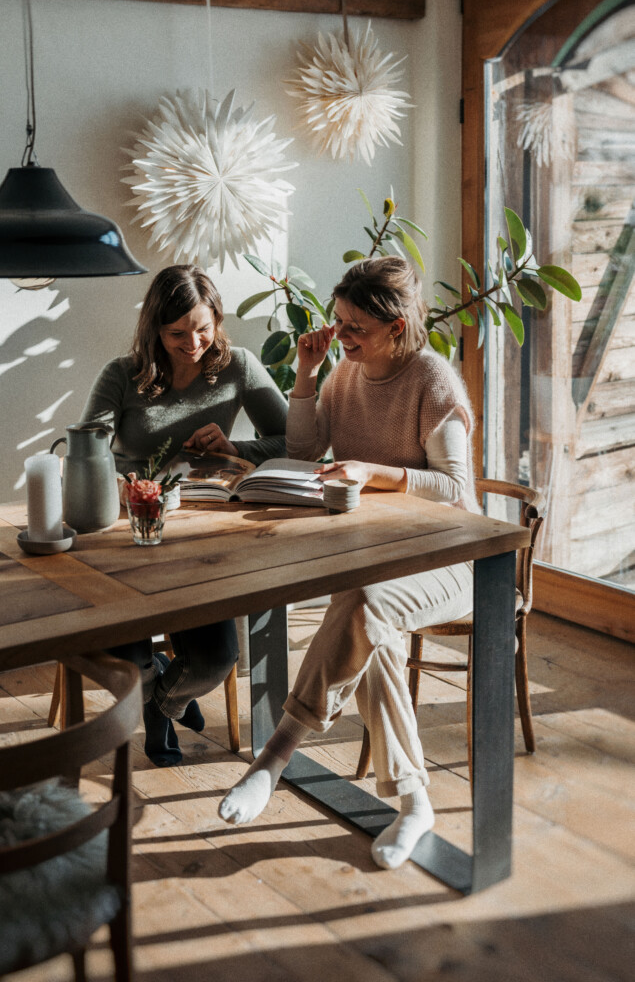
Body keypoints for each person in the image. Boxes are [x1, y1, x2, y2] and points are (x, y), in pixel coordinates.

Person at [219, 255, 479, 870]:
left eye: (356, 326)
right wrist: (307, 373)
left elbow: (453, 486)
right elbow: (306, 450)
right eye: (338, 322)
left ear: (396, 325)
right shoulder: (343, 373)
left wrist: (371, 471)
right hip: (382, 558)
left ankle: (275, 755)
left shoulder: (431, 379)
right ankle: (414, 802)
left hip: (458, 557)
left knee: (361, 603)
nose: (341, 335)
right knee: (372, 626)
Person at [81, 264, 288, 767]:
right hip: (131, 531)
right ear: (154, 328)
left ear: (216, 318)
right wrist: (117, 479)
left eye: (203, 327)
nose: (192, 342)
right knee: (128, 662)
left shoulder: (238, 365)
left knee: (217, 659)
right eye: (177, 333)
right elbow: (86, 446)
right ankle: (160, 710)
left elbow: (291, 440)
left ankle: (162, 704)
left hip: (203, 534)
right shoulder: (122, 374)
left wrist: (234, 444)